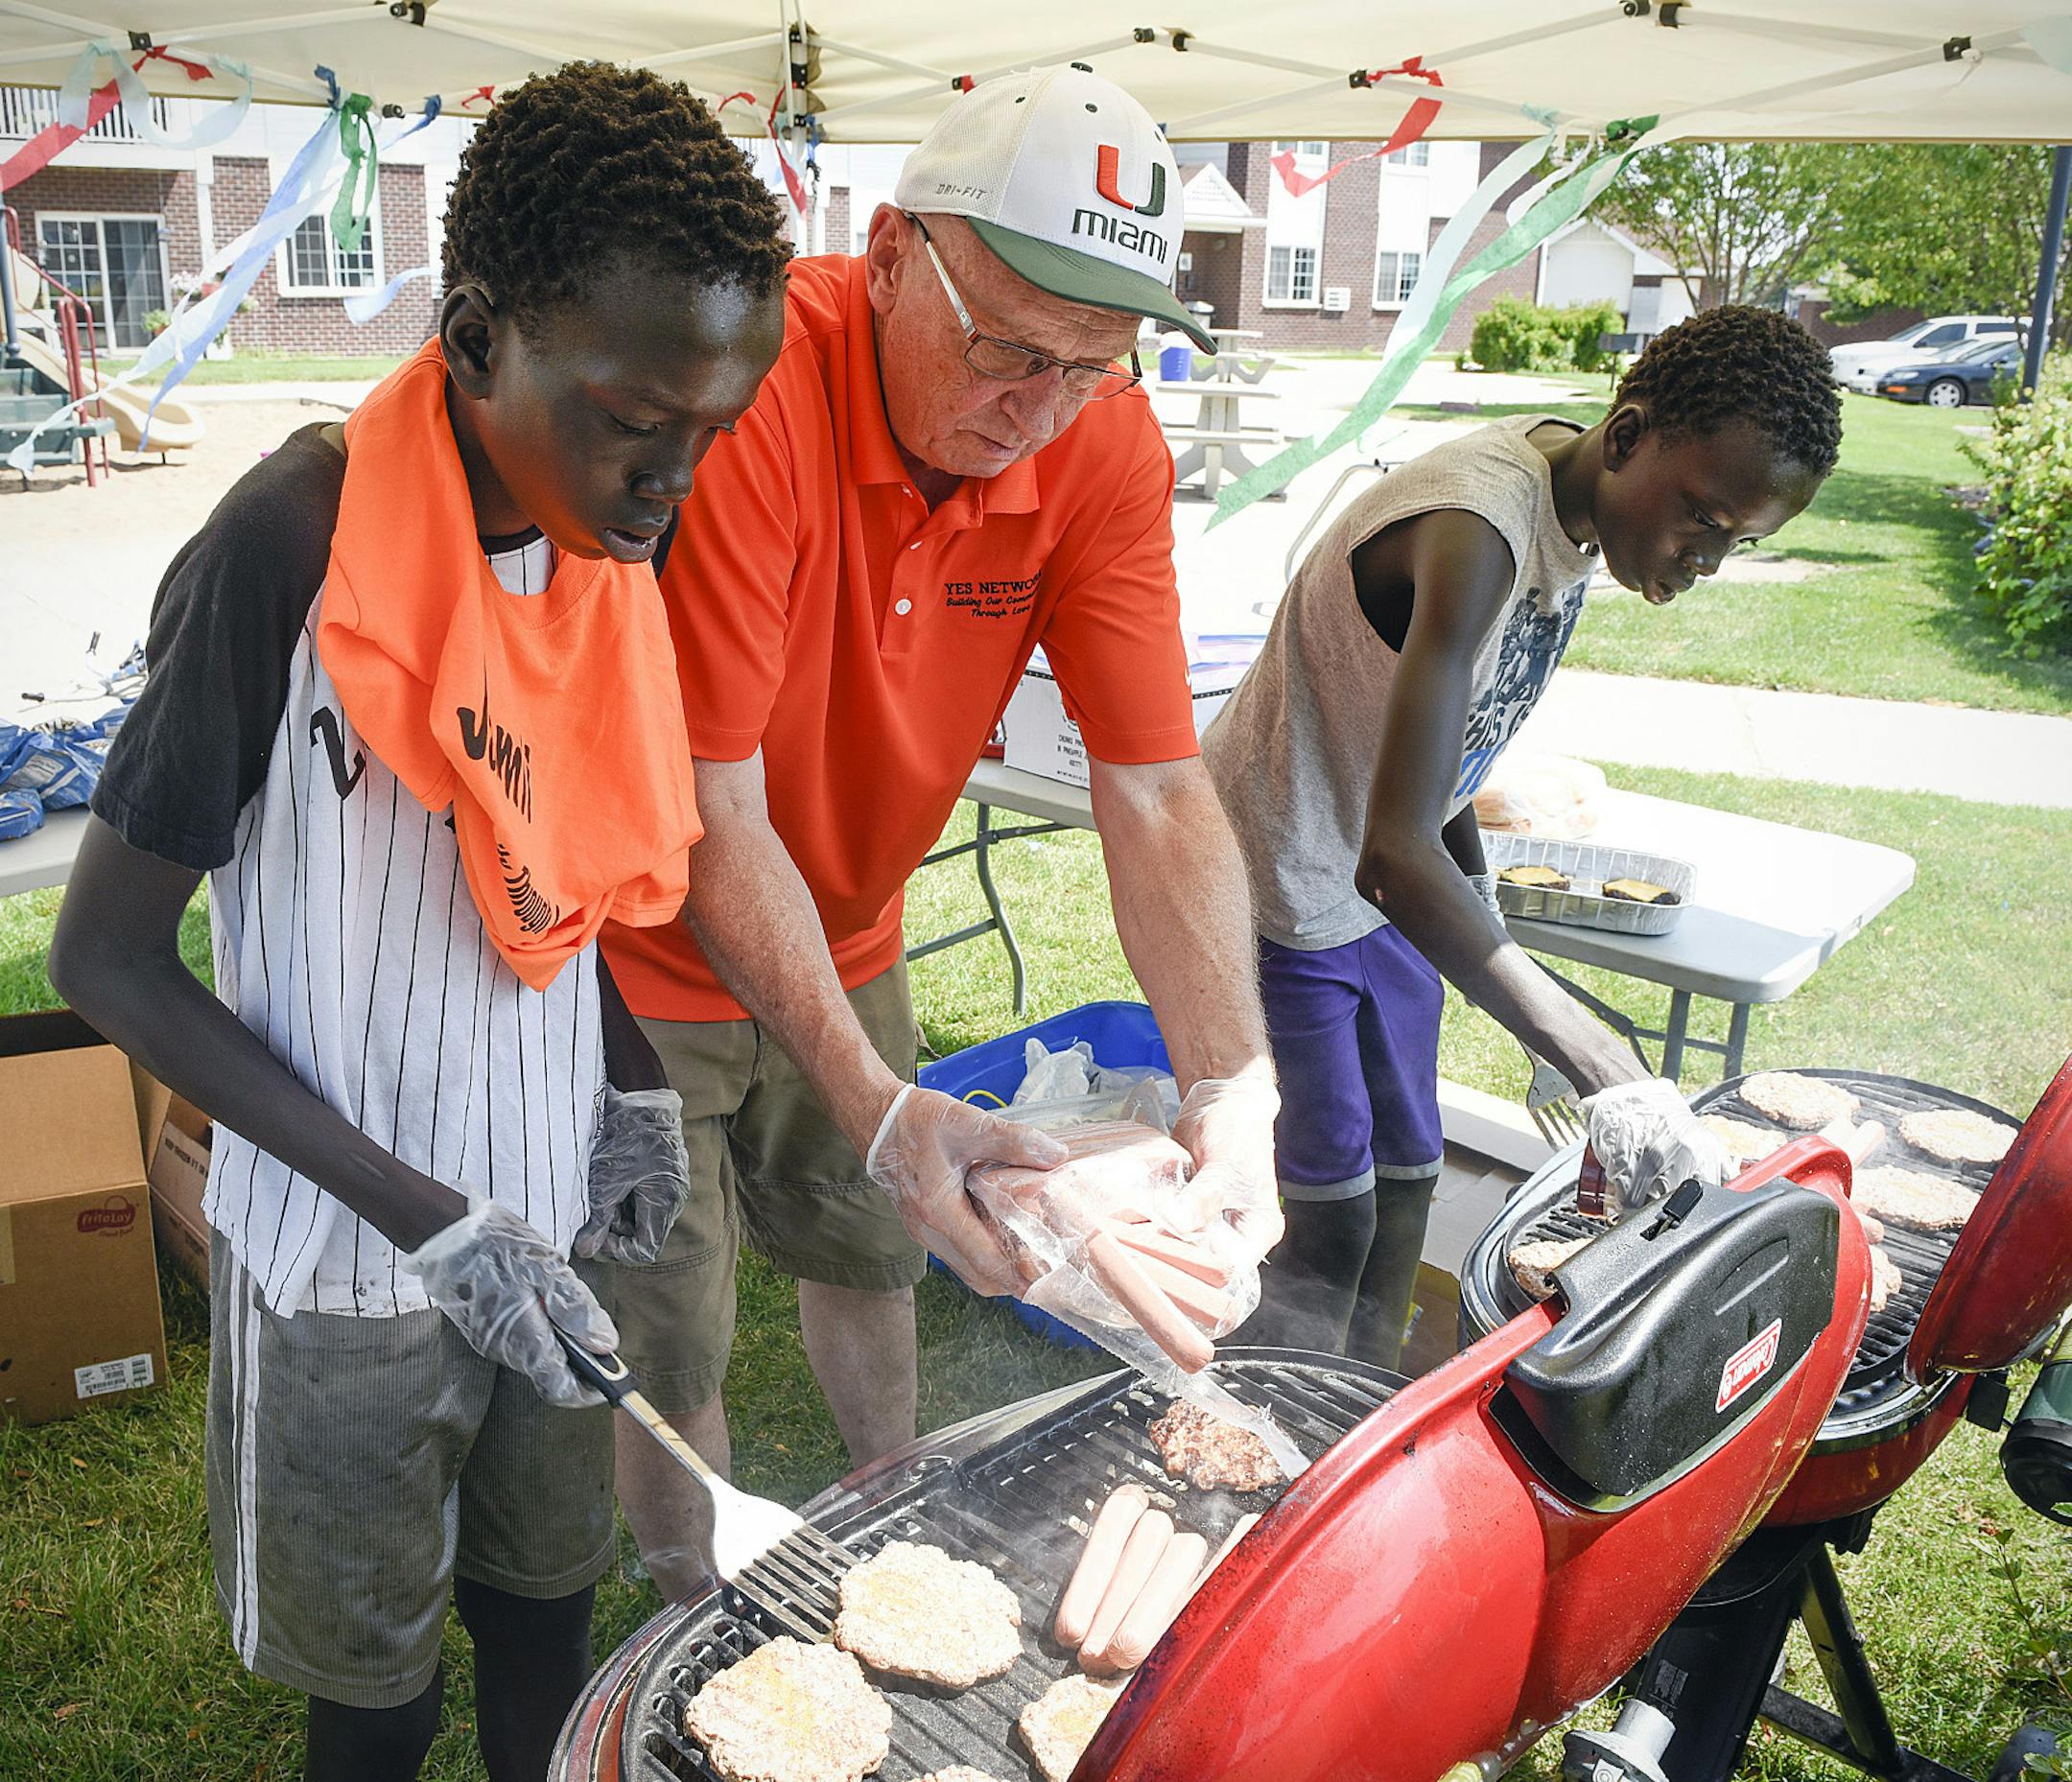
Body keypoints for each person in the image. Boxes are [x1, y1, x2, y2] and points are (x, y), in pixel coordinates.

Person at [46, 64, 790, 1782]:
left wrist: (613, 1084)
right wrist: (431, 1220)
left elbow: (565, 864)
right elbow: (102, 957)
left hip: (543, 1226)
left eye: (713, 429)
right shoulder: (286, 546)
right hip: (346, 1264)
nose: (675, 476)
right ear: (475, 335)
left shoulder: (607, 551)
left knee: (545, 1612)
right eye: (633, 418)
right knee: (375, 1694)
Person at [597, 63, 1282, 1599]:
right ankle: (698, 1599)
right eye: (1006, 351)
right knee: (672, 1316)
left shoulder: (1095, 444)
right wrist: (877, 1097)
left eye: (1088, 367)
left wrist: (1236, 1084)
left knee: (874, 1244)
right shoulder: (758, 383)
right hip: (631, 936)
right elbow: (712, 801)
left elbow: (1161, 787)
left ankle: (891, 1516)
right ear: (895, 252)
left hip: (849, 914)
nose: (1033, 411)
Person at [1205, 305, 1845, 1367]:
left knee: (1411, 1169)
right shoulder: (1477, 535)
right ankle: (1271, 1416)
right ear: (1630, 433)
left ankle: (1363, 1402)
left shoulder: (1580, 500)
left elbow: (1441, 763)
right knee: (1331, 1206)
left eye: (1741, 541)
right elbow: (1392, 854)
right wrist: (1599, 1059)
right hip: (1283, 873)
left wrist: (1489, 917)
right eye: (1703, 518)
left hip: (1377, 871)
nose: (1710, 559)